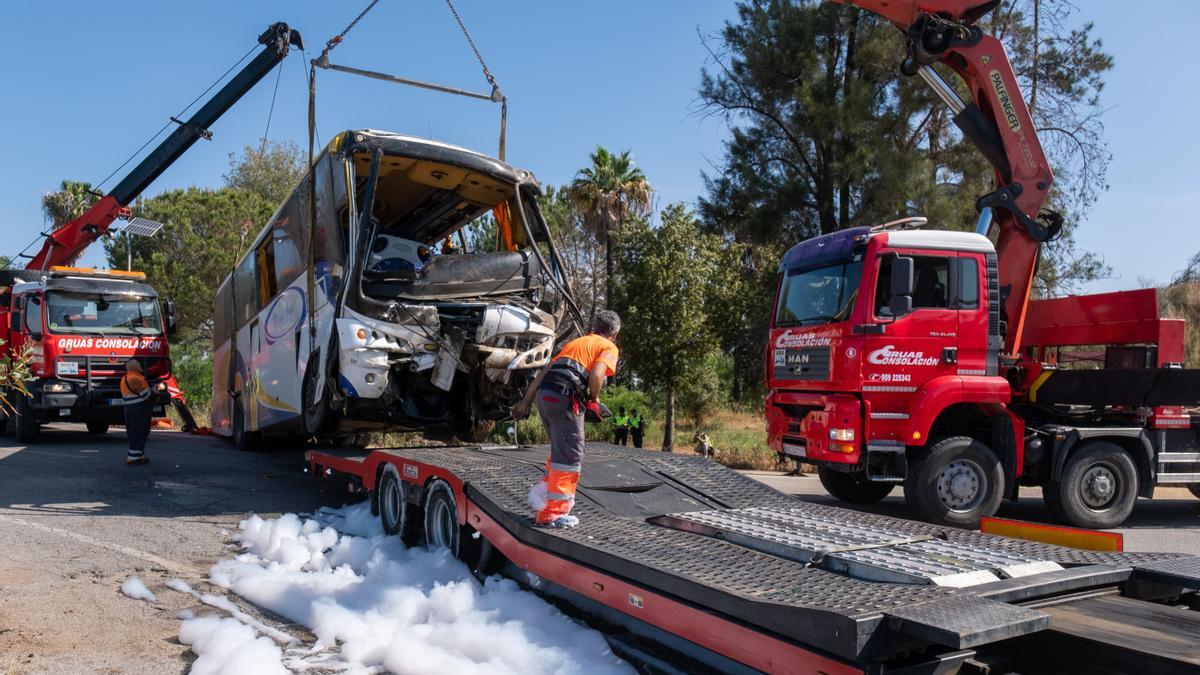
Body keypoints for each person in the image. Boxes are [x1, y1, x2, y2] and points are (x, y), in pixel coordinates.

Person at [512, 310, 620, 529]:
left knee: (560, 452)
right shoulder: (608, 346)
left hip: (545, 396)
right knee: (570, 456)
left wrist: (524, 402)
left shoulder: (576, 343)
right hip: (564, 397)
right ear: (614, 334)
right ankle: (552, 514)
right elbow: (597, 375)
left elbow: (543, 372)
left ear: (595, 327)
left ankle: (546, 503)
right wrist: (593, 398)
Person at [120, 360, 153, 465]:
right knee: (140, 431)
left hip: (129, 409)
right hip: (139, 409)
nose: (141, 368)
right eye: (139, 366)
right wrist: (155, 392)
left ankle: (139, 454)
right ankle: (133, 456)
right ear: (136, 368)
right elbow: (147, 396)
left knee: (133, 431)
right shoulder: (136, 379)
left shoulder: (124, 379)